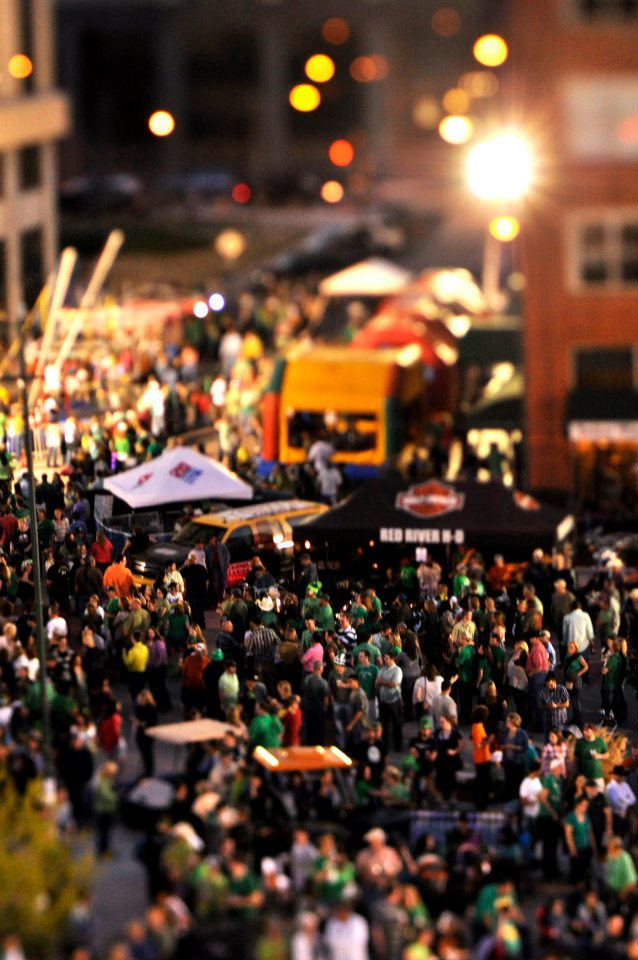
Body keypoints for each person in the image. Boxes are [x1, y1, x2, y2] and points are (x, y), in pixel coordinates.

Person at [376, 648, 403, 753]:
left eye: (386, 658)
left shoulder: (397, 670)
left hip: (394, 701)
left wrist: (382, 682)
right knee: (384, 724)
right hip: (383, 701)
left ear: (392, 659)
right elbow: (378, 681)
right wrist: (385, 682)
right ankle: (385, 745)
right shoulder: (382, 669)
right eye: (384, 657)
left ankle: (398, 745)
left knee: (397, 724)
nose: (384, 660)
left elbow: (395, 684)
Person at [563, 639, 588, 727]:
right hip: (568, 680)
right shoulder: (567, 655)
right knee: (572, 699)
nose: (569, 649)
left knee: (575, 700)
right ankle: (574, 718)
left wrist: (579, 673)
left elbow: (586, 667)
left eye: (572, 647)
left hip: (576, 680)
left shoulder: (578, 656)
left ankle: (579, 719)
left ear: (575, 649)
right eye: (569, 647)